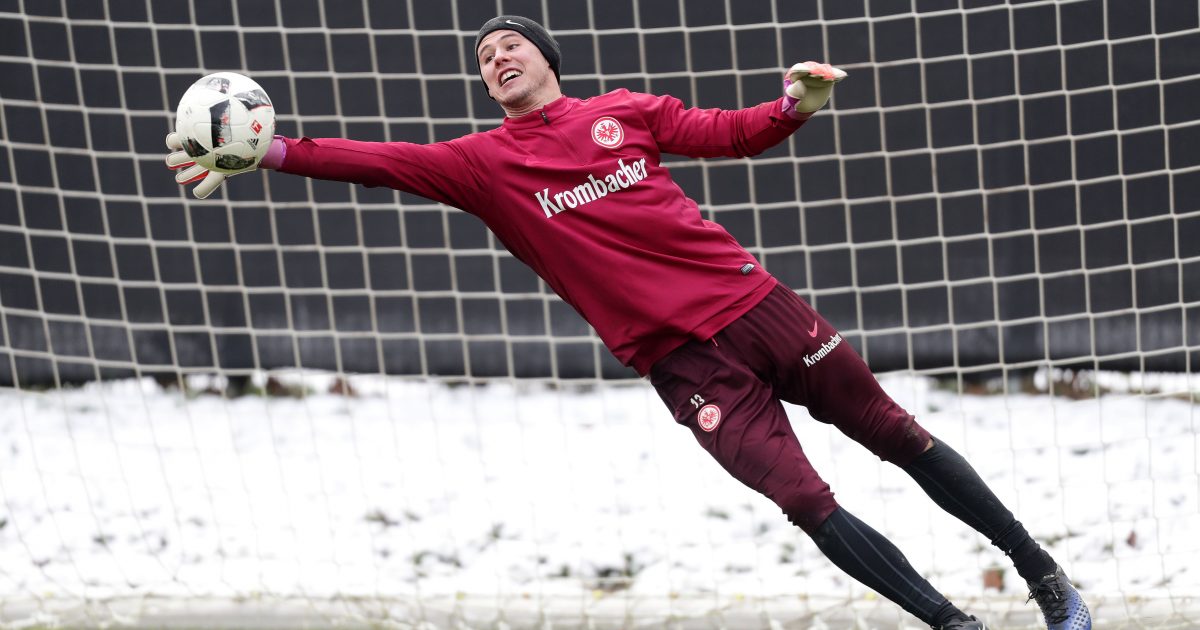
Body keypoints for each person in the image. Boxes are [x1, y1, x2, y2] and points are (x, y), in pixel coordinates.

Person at [165, 15, 1091, 630]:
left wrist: (793, 107)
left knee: (899, 435)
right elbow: (378, 160)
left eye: (510, 44)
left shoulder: (624, 113)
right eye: (484, 56)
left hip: (758, 305)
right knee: (807, 504)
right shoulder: (482, 165)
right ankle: (956, 626)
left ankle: (1045, 577)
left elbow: (729, 132)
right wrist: (274, 151)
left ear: (546, 59)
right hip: (689, 368)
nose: (497, 57)